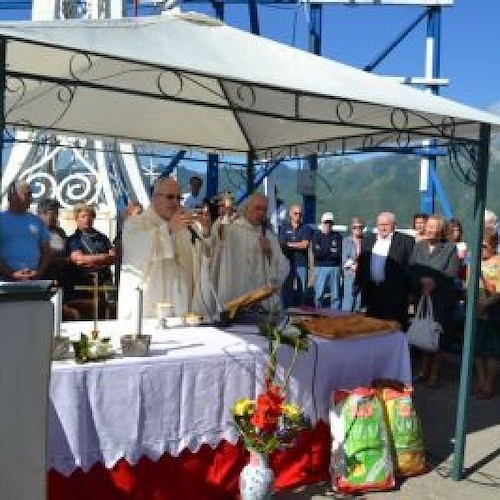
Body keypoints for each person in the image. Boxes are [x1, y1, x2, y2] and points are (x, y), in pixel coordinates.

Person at [118, 177, 212, 318]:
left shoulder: (187, 226)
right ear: (155, 198)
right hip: (149, 307)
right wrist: (167, 230)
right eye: (170, 197)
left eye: (178, 198)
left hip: (183, 306)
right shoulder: (135, 223)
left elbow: (202, 259)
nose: (175, 202)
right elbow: (136, 252)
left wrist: (206, 232)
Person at [211, 192, 289, 312]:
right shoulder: (231, 231)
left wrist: (269, 254)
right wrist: (222, 219)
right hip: (234, 299)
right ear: (246, 208)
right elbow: (215, 243)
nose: (261, 213)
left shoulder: (269, 237)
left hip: (260, 305)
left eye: (264, 209)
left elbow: (283, 268)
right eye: (257, 208)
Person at [409, 214, 459, 388]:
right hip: (421, 296)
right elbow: (412, 268)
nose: (429, 229)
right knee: (422, 333)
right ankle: (423, 370)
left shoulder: (450, 248)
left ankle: (435, 373)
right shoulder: (419, 246)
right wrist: (421, 281)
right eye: (428, 226)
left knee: (436, 336)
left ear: (441, 230)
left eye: (433, 227)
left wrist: (434, 282)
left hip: (440, 298)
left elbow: (451, 273)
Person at [355, 211, 414, 326]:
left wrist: (411, 292)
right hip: (372, 293)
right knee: (372, 328)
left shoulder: (406, 241)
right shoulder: (368, 240)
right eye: (380, 224)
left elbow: (411, 268)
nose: (383, 227)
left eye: (386, 224)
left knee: (394, 329)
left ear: (394, 225)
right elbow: (362, 264)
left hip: (395, 295)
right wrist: (358, 285)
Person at [66, 205, 117, 318]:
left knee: (109, 313)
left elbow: (113, 257)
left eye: (89, 216)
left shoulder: (102, 238)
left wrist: (92, 260)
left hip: (105, 282)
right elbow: (79, 259)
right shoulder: (74, 240)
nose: (87, 219)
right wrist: (103, 258)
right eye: (83, 216)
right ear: (77, 219)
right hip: (84, 284)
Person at [0, 181, 51, 281]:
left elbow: (46, 252)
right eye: (27, 194)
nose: (31, 199)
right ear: (14, 196)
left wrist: (38, 274)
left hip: (32, 280)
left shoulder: (37, 221)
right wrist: (12, 273)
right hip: (4, 281)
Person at [474, 230, 500, 399]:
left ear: (492, 245)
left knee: (492, 350)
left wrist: (485, 304)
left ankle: (489, 384)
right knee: (477, 349)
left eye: (484, 246)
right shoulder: (475, 262)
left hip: (494, 310)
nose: (481, 249)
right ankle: (481, 381)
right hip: (476, 310)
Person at [279, 205, 312, 308]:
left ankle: (301, 310)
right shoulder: (284, 228)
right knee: (287, 288)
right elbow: (282, 244)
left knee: (302, 290)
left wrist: (289, 244)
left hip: (301, 263)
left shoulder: (306, 228)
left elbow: (304, 245)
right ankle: (287, 310)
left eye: (300, 213)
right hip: (287, 264)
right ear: (290, 214)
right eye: (295, 213)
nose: (298, 216)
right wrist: (297, 244)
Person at [312, 212, 342, 309]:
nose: (328, 225)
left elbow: (338, 254)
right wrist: (330, 250)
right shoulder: (316, 235)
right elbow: (317, 254)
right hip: (320, 268)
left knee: (336, 295)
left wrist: (324, 251)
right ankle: (318, 312)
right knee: (319, 294)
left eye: (330, 223)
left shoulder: (337, 236)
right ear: (322, 223)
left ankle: (334, 314)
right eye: (326, 222)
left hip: (335, 267)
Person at [341, 217, 364, 312]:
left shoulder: (365, 241)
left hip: (362, 275)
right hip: (350, 274)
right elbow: (344, 259)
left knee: (359, 299)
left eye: (360, 227)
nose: (357, 229)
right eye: (355, 227)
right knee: (349, 299)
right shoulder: (346, 241)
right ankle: (345, 320)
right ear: (351, 228)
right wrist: (354, 266)